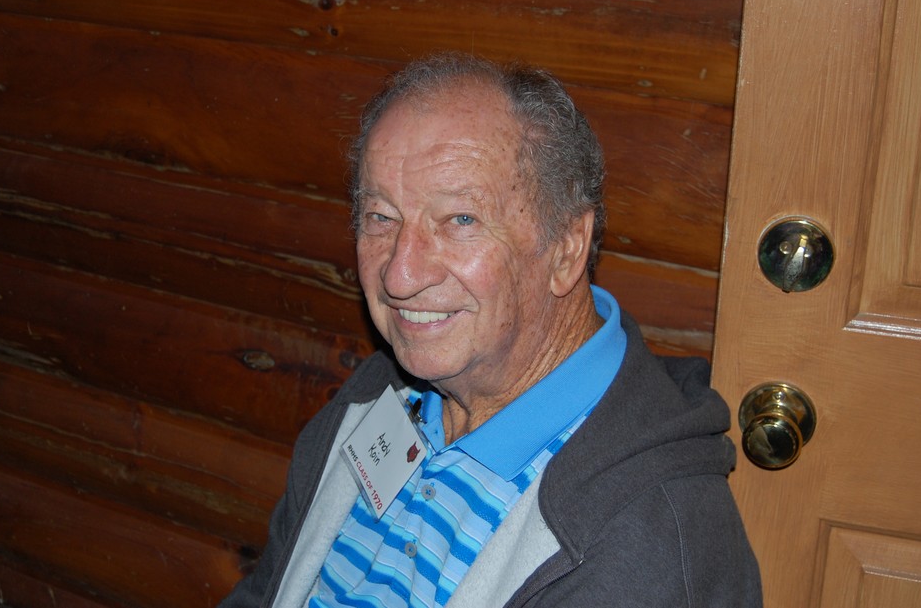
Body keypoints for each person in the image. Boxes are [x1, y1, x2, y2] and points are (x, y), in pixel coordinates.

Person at [219, 53, 762, 607]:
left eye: (461, 220)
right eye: (381, 217)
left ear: (566, 248)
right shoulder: (385, 393)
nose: (399, 276)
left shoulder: (649, 549)